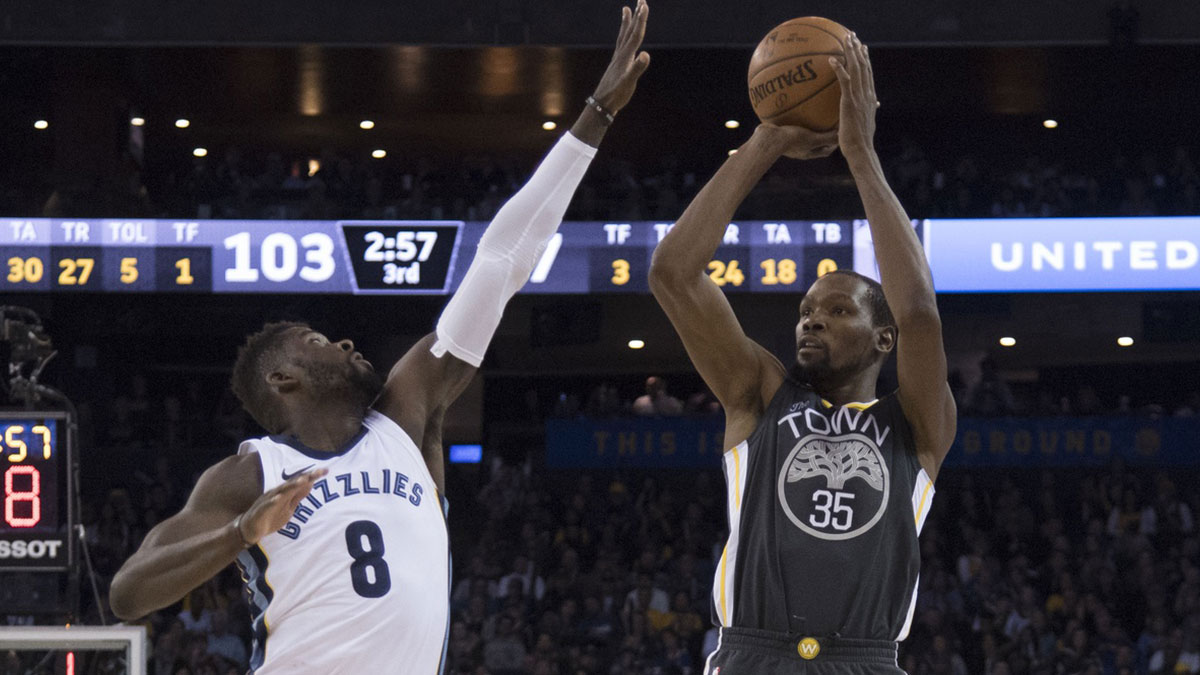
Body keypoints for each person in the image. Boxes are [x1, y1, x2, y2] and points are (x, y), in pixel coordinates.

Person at [108, 4, 652, 672]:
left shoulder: (408, 410)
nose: (342, 344)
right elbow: (129, 592)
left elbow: (503, 258)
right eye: (317, 340)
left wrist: (594, 114)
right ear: (283, 379)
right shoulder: (251, 474)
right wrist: (240, 531)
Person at [648, 33, 956, 674]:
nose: (812, 319)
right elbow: (674, 272)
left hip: (864, 659)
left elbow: (921, 313)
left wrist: (861, 156)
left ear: (882, 338)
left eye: (838, 310)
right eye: (806, 311)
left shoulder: (916, 427)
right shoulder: (759, 392)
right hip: (751, 655)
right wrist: (765, 141)